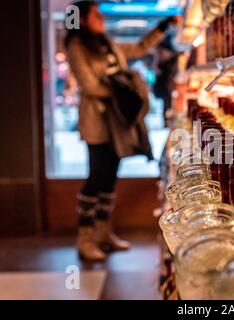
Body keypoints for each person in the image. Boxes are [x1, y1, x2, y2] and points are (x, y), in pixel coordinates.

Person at [64, 0, 176, 261]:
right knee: (96, 176)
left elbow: (138, 47)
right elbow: (90, 86)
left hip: (117, 124)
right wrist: (126, 92)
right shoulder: (77, 46)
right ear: (82, 19)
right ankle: (85, 239)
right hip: (98, 123)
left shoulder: (107, 43)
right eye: (95, 15)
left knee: (111, 176)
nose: (101, 18)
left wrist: (163, 27)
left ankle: (104, 234)